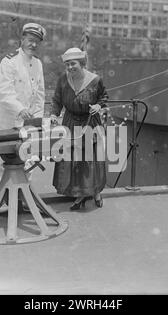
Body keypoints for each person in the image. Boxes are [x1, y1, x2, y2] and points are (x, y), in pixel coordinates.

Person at [0, 23, 46, 192]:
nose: (33, 44)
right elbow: (4, 93)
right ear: (22, 39)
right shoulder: (9, 61)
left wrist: (37, 119)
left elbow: (40, 95)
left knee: (28, 160)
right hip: (4, 120)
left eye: (37, 41)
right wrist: (20, 109)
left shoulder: (38, 64)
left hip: (27, 122)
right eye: (30, 40)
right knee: (1, 162)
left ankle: (24, 198)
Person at [50, 48, 108, 210]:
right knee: (73, 159)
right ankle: (79, 194)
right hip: (70, 122)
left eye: (73, 64)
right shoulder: (63, 80)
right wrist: (54, 114)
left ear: (82, 64)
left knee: (90, 160)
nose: (70, 67)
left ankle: (95, 192)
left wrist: (98, 105)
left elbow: (104, 97)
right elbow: (57, 100)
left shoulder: (96, 80)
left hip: (90, 122)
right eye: (67, 64)